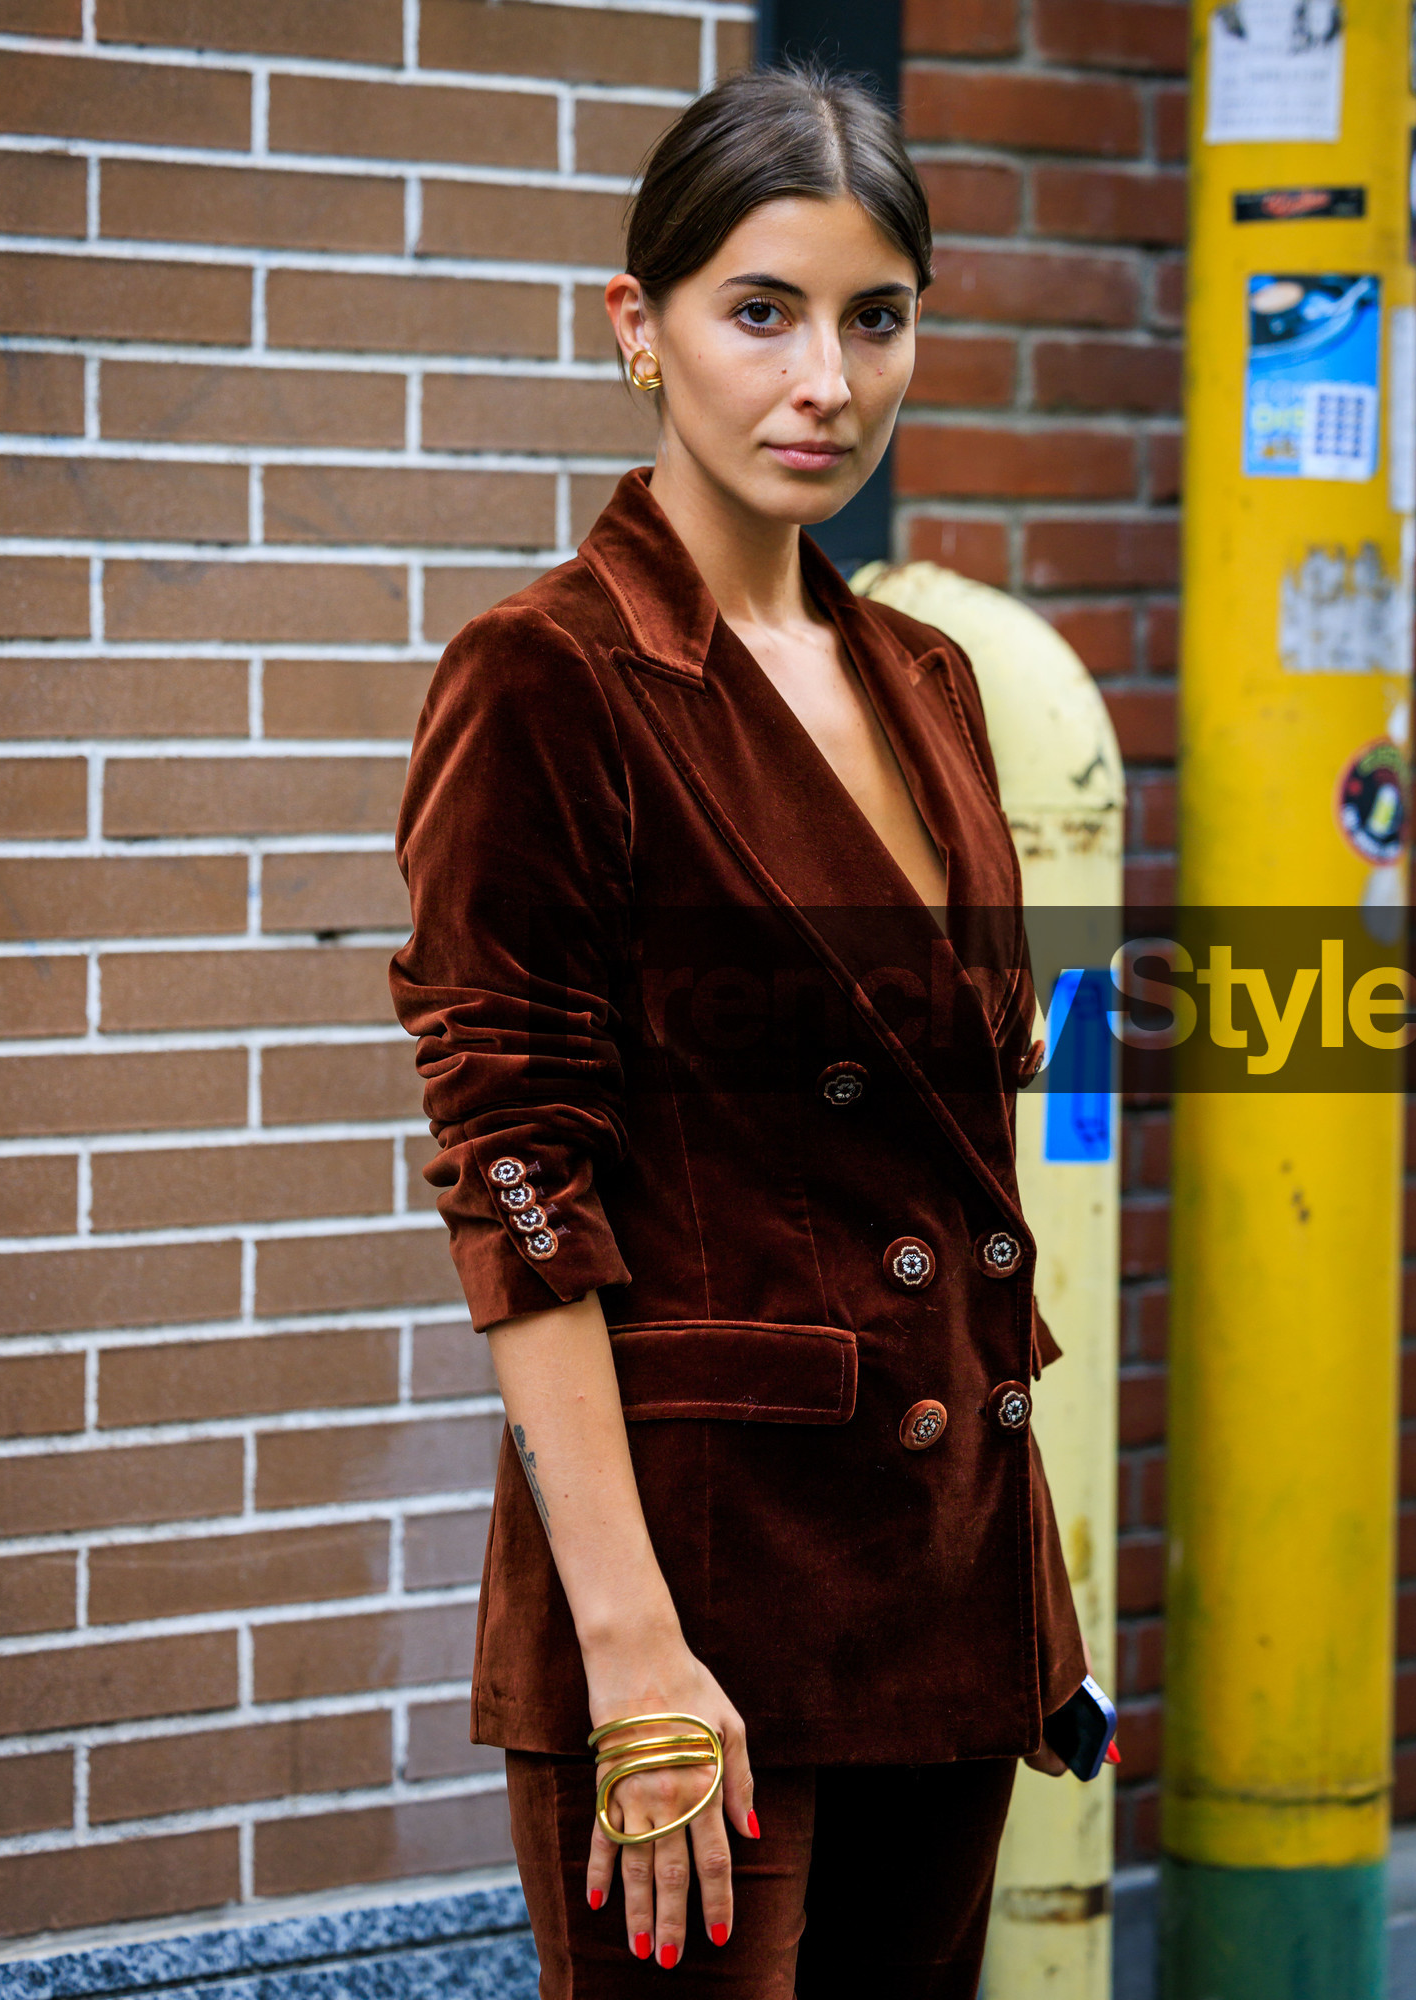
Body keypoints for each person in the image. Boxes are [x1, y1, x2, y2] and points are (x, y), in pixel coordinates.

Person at [390, 61, 1086, 2000]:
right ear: (641, 325)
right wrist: (630, 1656)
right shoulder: (547, 677)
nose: (826, 382)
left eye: (875, 318)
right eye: (759, 309)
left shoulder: (927, 676)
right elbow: (516, 1167)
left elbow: (955, 1173)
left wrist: (1025, 1573)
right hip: (700, 1605)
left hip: (942, 1586)